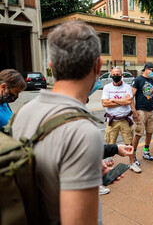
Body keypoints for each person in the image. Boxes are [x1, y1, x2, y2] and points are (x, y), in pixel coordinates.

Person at [11, 21, 112, 224]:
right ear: (98, 65)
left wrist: (86, 167)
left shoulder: (23, 112)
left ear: (51, 67)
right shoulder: (83, 132)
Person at [101, 67, 141, 173]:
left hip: (125, 119)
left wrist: (113, 100)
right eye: (114, 74)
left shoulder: (127, 87)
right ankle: (107, 167)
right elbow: (104, 103)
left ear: (121, 75)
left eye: (118, 73)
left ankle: (132, 163)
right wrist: (121, 101)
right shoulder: (107, 88)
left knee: (129, 143)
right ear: (111, 75)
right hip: (112, 120)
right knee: (110, 144)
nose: (116, 76)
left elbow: (129, 101)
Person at [131, 62, 153, 167]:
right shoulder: (137, 80)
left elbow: (152, 94)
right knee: (138, 133)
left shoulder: (151, 80)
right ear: (146, 69)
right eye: (151, 69)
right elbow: (131, 96)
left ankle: (146, 152)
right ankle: (133, 155)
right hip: (140, 110)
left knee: (150, 132)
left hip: (150, 110)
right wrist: (134, 111)